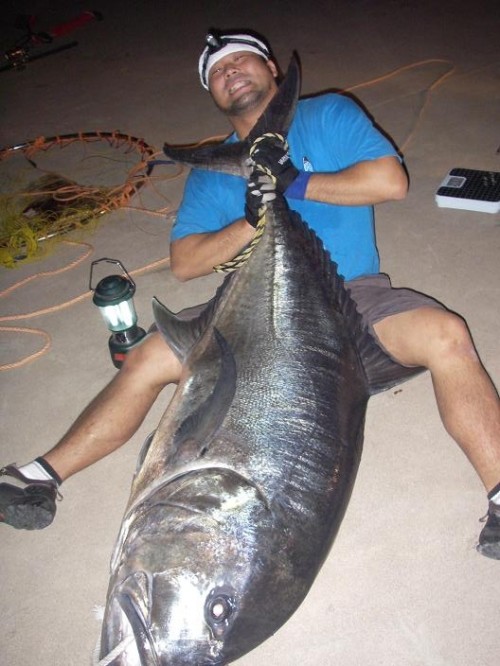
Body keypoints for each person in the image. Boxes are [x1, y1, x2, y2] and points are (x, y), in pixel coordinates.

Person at [1, 30, 499, 560]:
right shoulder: (212, 175)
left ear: (273, 72)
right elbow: (185, 262)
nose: (230, 70)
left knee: (446, 334)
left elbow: (390, 181)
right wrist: (250, 217)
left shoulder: (328, 114)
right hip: (253, 308)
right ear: (213, 95)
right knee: (147, 356)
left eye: (241, 60)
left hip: (350, 299)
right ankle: (38, 474)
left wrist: (293, 185)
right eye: (217, 71)